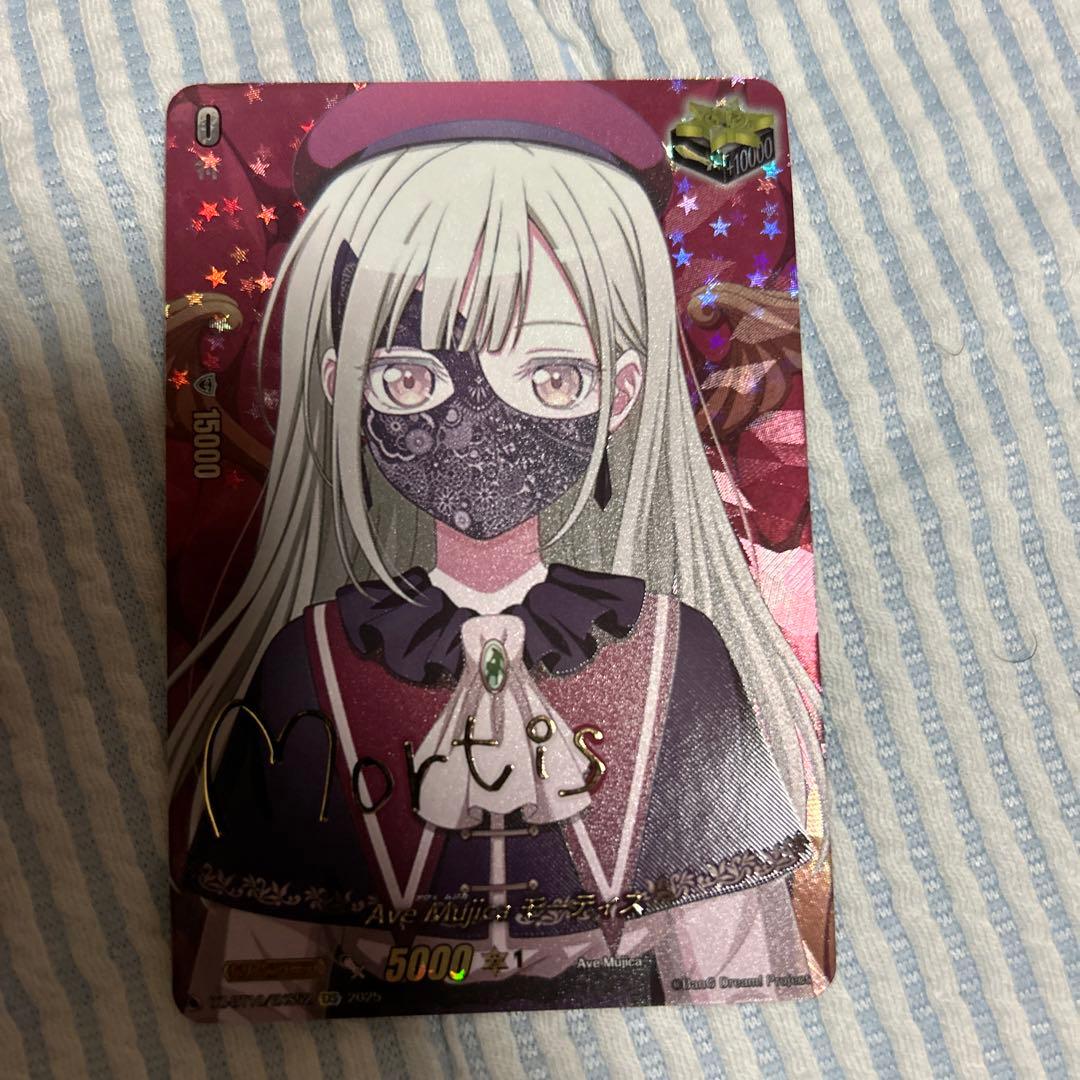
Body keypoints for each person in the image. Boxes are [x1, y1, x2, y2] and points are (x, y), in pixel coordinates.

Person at [168, 83, 827, 1019]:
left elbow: (740, 966)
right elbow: (252, 981)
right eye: (412, 376)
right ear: (344, 387)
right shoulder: (309, 662)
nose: (477, 429)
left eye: (551, 375)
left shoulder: (677, 654)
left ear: (622, 393)